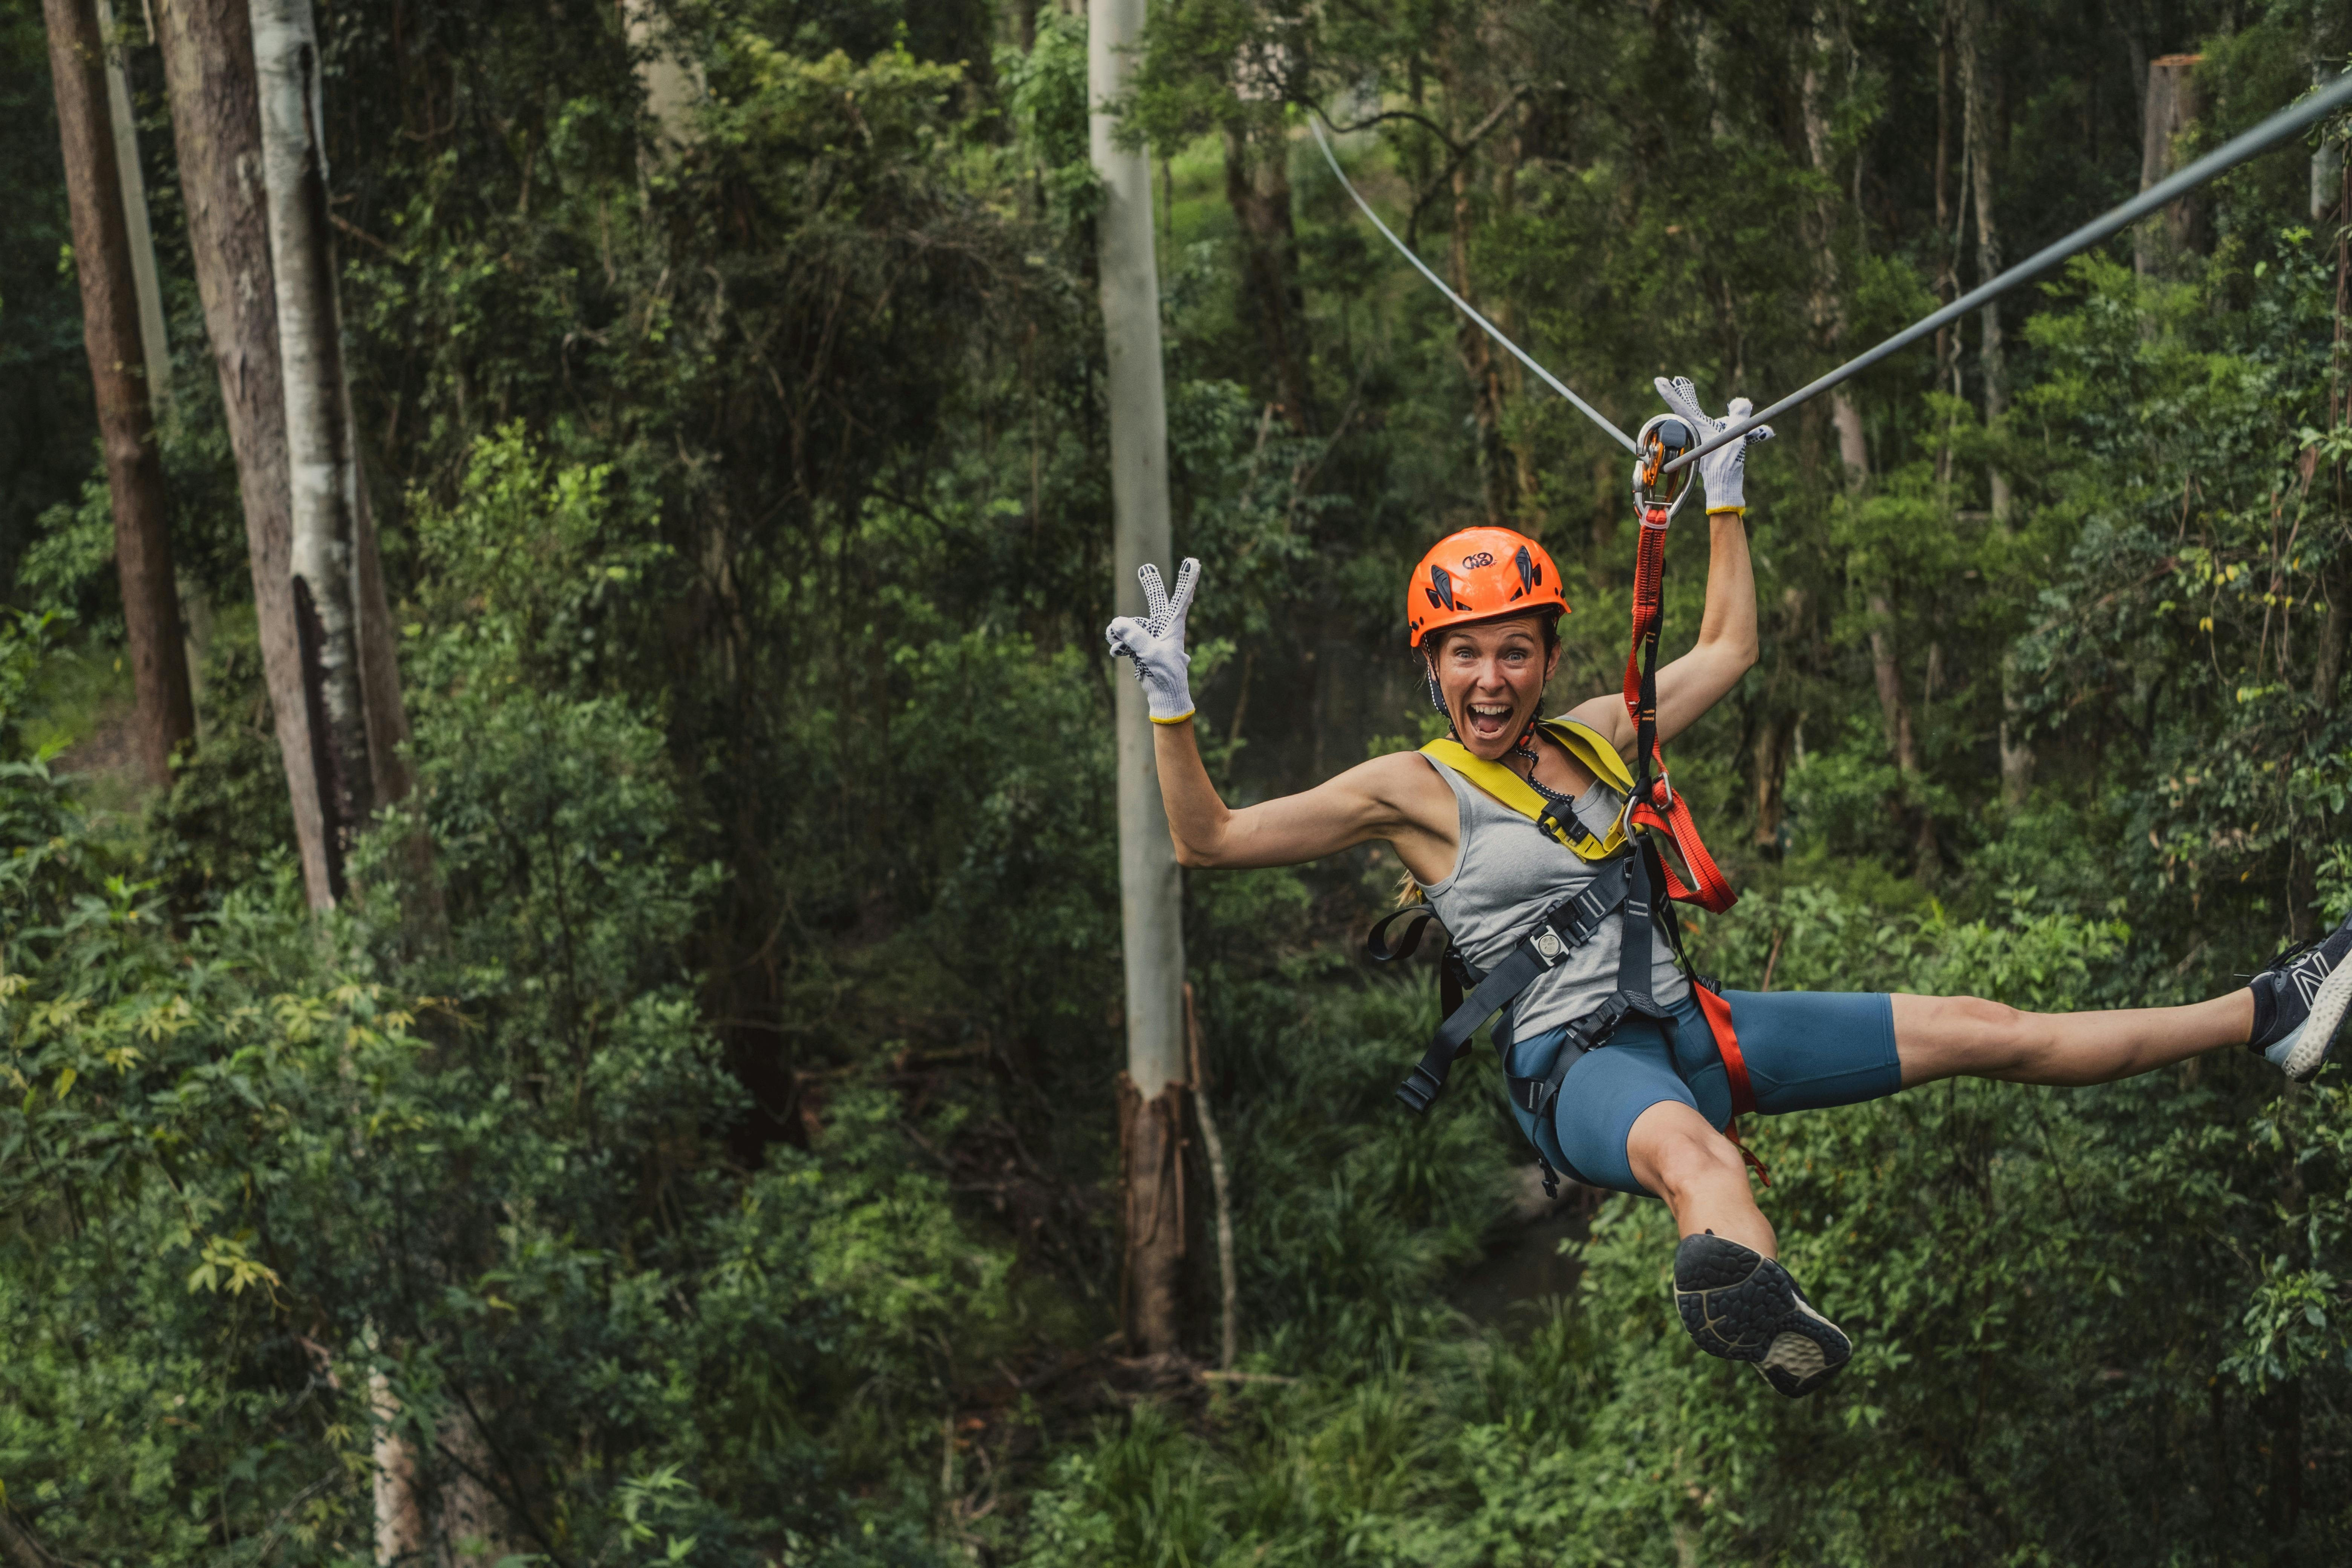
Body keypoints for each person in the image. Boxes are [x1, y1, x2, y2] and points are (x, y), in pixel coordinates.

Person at [1106, 377, 2352, 1398]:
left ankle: (2270, 1015)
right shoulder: (1409, 790)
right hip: (1580, 1069)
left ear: (1545, 658)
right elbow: (1207, 841)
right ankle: (1756, 1306)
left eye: (1513, 652)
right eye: (1466, 655)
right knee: (1699, 1159)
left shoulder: (1600, 732)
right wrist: (1172, 703)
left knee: (1990, 1029)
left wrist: (1728, 498)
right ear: (1432, 668)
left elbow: (1729, 649)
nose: (1491, 679)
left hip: (1699, 1027)